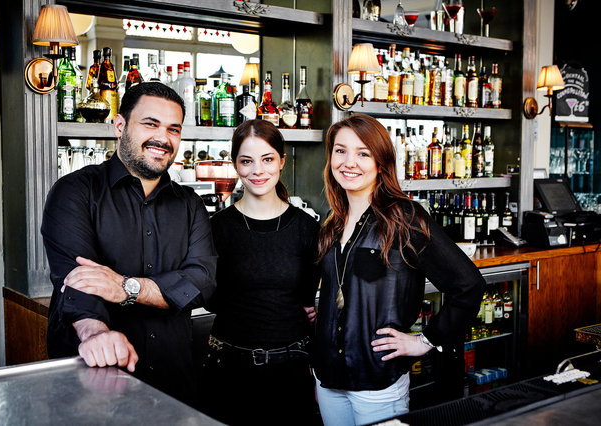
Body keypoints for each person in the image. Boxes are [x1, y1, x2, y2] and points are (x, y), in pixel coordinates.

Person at [41, 82, 217, 405]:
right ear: (119, 126)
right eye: (150, 124)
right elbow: (80, 282)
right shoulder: (75, 193)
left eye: (173, 129)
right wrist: (96, 334)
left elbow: (200, 282)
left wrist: (126, 287)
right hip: (97, 384)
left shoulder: (191, 205)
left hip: (173, 386)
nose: (162, 138)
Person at [313, 114, 485, 425]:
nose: (348, 162)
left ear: (381, 162)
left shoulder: (404, 217)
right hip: (327, 378)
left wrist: (424, 340)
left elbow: (468, 284)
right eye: (340, 151)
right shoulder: (332, 219)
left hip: (377, 382)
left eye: (363, 153)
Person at [201, 120, 320, 425]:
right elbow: (210, 296)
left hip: (291, 372)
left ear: (282, 160)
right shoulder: (216, 227)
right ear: (235, 165)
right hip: (228, 369)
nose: (258, 171)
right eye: (246, 161)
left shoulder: (306, 228)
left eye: (267, 159)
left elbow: (309, 296)